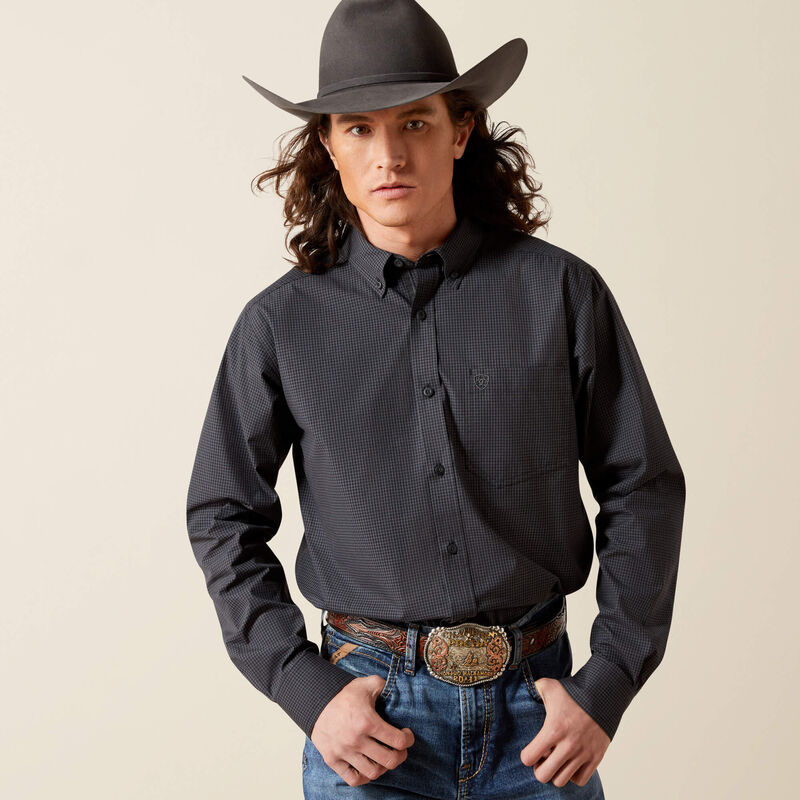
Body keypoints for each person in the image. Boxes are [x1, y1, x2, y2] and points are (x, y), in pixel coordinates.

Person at [185, 1, 686, 797]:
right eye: (359, 128)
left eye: (414, 123)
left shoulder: (561, 295)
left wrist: (610, 683)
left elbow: (644, 486)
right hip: (369, 724)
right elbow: (221, 514)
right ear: (329, 145)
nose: (389, 156)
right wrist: (305, 691)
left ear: (460, 131)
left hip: (542, 720)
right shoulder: (279, 326)